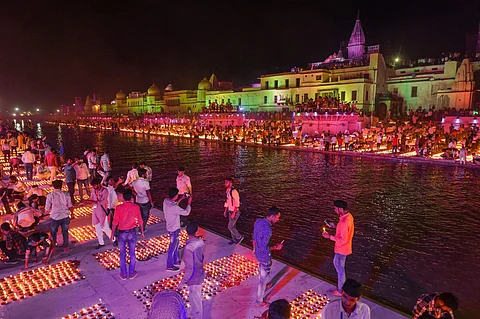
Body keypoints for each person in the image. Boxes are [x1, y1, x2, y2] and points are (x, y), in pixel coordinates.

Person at [322, 200, 355, 296]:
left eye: (335, 209)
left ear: (341, 209)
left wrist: (329, 237)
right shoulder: (348, 216)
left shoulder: (345, 222)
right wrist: (336, 226)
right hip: (344, 248)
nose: (334, 210)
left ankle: (340, 291)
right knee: (339, 268)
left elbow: (343, 240)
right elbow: (345, 231)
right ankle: (341, 289)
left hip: (342, 249)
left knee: (340, 271)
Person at [252, 206, 283, 306]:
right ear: (272, 216)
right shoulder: (268, 230)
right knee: (263, 278)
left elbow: (254, 236)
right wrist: (276, 246)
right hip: (265, 256)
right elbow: (264, 247)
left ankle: (264, 285)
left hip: (257, 253)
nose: (278, 219)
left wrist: (254, 249)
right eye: (277, 217)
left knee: (261, 270)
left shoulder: (258, 221)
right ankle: (259, 300)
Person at [111, 189, 144, 280]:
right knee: (132, 253)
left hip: (121, 233)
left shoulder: (119, 208)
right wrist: (142, 231)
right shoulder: (136, 207)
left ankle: (124, 274)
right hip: (132, 232)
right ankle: (132, 272)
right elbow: (140, 220)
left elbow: (115, 222)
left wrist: (112, 234)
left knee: (122, 254)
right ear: (131, 197)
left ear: (123, 198)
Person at [177, 221, 205, 319]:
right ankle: (195, 316)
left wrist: (182, 282)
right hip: (200, 273)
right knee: (196, 300)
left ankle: (197, 317)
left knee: (196, 301)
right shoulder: (200, 242)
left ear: (186, 232)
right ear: (196, 231)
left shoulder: (189, 248)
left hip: (194, 278)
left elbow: (190, 268)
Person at [163, 187, 192, 272]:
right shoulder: (174, 207)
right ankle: (169, 266)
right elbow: (186, 212)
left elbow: (174, 204)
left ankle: (176, 260)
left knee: (176, 244)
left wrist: (181, 198)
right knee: (172, 247)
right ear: (175, 195)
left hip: (169, 227)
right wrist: (189, 203)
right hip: (174, 228)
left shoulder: (166, 201)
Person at [45, 180, 72, 251]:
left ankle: (53, 247)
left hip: (55, 217)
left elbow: (47, 208)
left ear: (53, 186)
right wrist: (72, 214)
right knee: (65, 232)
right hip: (65, 216)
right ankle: (66, 246)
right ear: (61, 186)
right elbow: (70, 205)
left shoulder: (50, 196)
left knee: (53, 233)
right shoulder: (66, 194)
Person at [90, 178, 112, 249]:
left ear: (98, 184)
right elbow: (91, 199)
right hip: (95, 210)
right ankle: (101, 243)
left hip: (102, 210)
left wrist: (93, 202)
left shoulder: (105, 190)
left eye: (94, 186)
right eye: (92, 186)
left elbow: (103, 201)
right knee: (97, 227)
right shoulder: (93, 190)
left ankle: (114, 239)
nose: (93, 187)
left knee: (105, 227)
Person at [223, 177, 244, 245]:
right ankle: (234, 240)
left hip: (234, 212)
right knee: (233, 226)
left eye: (226, 182)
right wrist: (226, 210)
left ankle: (239, 237)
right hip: (230, 211)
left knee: (230, 226)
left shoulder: (234, 192)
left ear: (230, 183)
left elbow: (237, 204)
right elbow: (227, 201)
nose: (225, 184)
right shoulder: (227, 191)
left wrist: (234, 213)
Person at [106, 176, 123, 246]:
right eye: (111, 180)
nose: (113, 181)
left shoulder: (111, 188)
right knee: (113, 224)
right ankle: (116, 237)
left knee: (114, 224)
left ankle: (116, 238)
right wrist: (119, 182)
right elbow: (115, 186)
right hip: (111, 208)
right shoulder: (108, 188)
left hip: (114, 208)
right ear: (107, 182)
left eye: (113, 180)